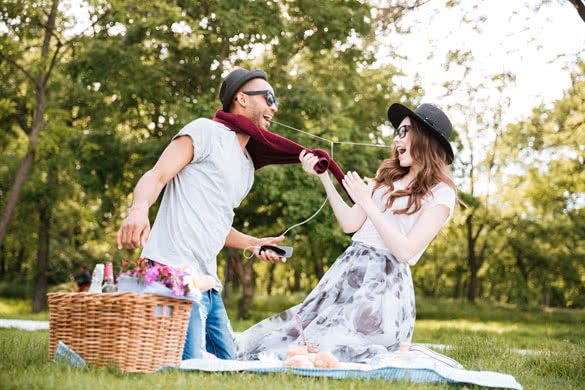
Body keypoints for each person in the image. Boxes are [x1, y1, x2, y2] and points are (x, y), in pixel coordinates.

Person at [236, 103, 458, 363]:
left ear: (425, 138)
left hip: (383, 287)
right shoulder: (387, 176)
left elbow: (405, 251)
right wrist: (324, 177)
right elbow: (350, 224)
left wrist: (367, 202)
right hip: (348, 271)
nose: (396, 139)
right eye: (397, 132)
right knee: (288, 336)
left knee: (334, 345)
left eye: (404, 131)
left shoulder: (442, 194)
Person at [116, 68, 288, 361]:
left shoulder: (247, 167)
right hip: (171, 273)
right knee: (191, 364)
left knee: (231, 366)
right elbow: (157, 175)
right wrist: (138, 209)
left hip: (208, 284)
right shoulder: (205, 131)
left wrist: (254, 244)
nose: (274, 107)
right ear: (241, 99)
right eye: (268, 97)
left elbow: (218, 225)